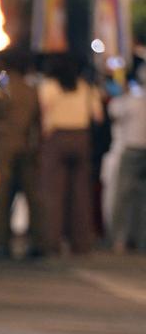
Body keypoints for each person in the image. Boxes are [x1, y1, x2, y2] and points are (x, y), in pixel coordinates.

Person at [37, 54, 103, 255]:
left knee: (53, 193)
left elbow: (42, 114)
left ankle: (52, 242)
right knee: (81, 194)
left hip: (57, 138)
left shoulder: (49, 87)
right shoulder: (85, 87)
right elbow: (98, 116)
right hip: (81, 138)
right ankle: (81, 243)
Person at [0, 48, 43, 258]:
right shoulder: (31, 89)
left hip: (4, 145)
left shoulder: (2, 88)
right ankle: (36, 241)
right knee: (31, 195)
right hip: (26, 144)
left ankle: (3, 243)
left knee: (3, 195)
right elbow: (38, 119)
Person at [107, 62, 146, 253]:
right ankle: (140, 240)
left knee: (122, 197)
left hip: (131, 151)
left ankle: (120, 239)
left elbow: (113, 111)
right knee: (141, 198)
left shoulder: (132, 100)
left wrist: (121, 93)